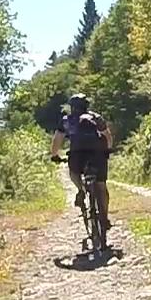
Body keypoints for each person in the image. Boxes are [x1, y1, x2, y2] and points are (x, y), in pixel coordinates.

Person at [50, 93, 114, 230]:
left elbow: (57, 139)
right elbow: (107, 135)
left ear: (71, 107)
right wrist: (108, 150)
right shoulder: (96, 117)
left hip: (77, 154)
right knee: (101, 186)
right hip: (97, 154)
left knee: (73, 173)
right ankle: (104, 217)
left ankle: (81, 190)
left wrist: (54, 155)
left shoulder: (66, 120)